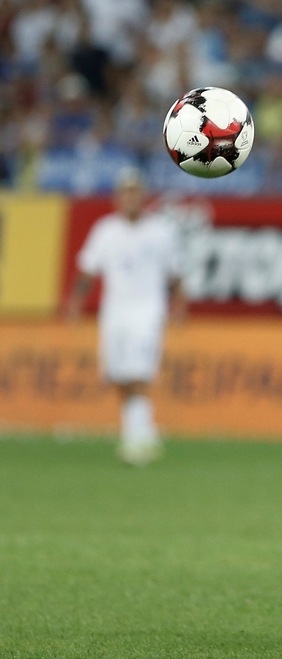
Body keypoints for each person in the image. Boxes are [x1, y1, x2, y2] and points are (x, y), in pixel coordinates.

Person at [65, 168, 185, 466]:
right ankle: (142, 432)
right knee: (118, 376)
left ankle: (137, 441)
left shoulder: (161, 231)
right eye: (125, 192)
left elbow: (174, 275)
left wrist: (179, 306)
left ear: (143, 196)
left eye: (135, 192)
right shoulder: (106, 230)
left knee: (138, 373)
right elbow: (88, 270)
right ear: (118, 198)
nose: (130, 198)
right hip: (115, 311)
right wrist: (76, 301)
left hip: (147, 310)